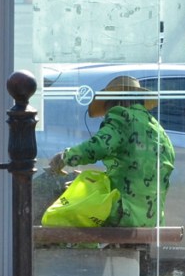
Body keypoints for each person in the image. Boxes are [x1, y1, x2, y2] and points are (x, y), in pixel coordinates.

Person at [49, 76, 175, 227]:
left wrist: (65, 157)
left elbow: (98, 147)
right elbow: (132, 174)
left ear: (117, 102)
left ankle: (68, 250)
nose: (106, 115)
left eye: (107, 108)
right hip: (151, 219)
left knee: (62, 207)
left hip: (122, 213)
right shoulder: (159, 131)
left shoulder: (122, 117)